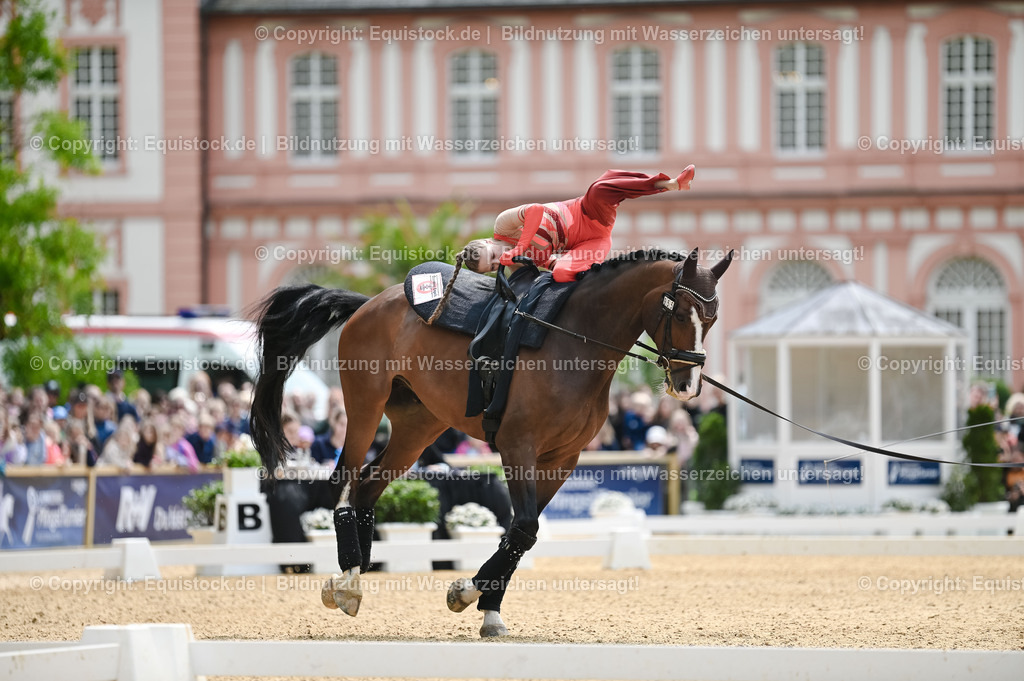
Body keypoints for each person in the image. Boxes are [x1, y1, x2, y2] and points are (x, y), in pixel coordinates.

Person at [463, 167, 696, 283]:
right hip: (592, 243)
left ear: (488, 241)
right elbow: (550, 263)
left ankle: (671, 183)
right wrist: (554, 267)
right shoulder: (517, 266)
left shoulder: (503, 225)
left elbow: (536, 211)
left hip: (588, 214)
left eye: (492, 255)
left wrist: (518, 249)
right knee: (562, 274)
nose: (498, 261)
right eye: (493, 267)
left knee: (598, 189)